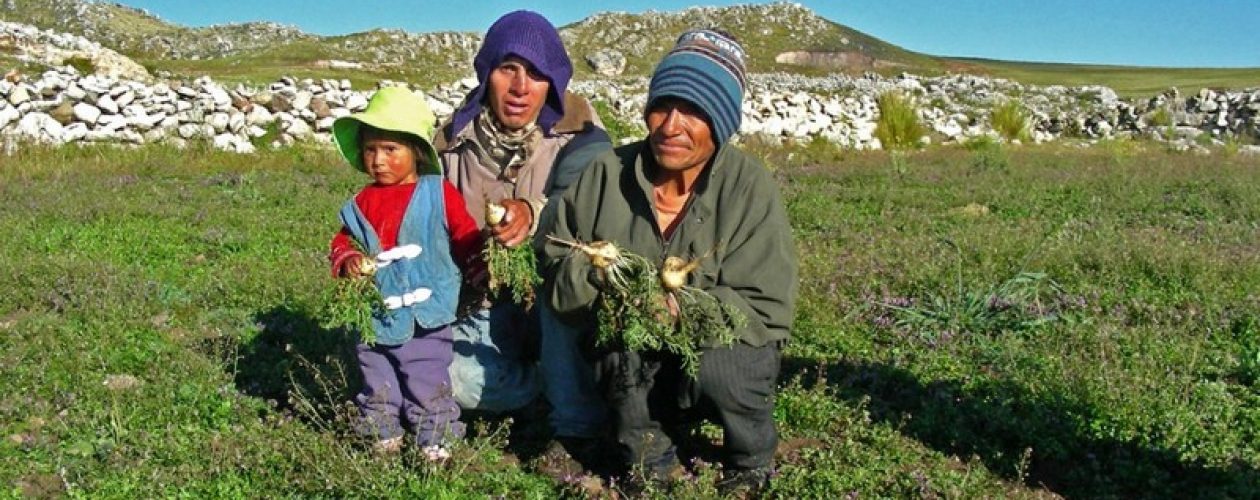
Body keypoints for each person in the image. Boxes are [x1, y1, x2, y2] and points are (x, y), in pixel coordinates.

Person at [538, 29, 798, 494]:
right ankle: (649, 459)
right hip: (633, 354)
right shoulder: (603, 175)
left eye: (694, 111)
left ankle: (750, 457)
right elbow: (555, 267)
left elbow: (766, 307)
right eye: (662, 106)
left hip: (715, 351)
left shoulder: (748, 187)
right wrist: (603, 278)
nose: (671, 126)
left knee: (730, 367)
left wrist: (683, 311)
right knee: (617, 347)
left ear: (719, 122)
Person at [435, 9, 612, 469]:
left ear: (552, 81)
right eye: (507, 68)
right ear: (486, 72)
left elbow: (593, 215)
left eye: (535, 73)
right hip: (481, 308)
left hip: (558, 308)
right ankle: (537, 388)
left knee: (567, 288)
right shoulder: (450, 145)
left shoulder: (583, 141)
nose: (519, 87)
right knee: (434, 374)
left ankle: (570, 414)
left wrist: (532, 214)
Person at [327, 86, 483, 458]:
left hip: (425, 314)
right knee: (375, 373)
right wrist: (347, 259)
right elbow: (343, 241)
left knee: (427, 377)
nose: (378, 160)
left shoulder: (437, 192)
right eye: (370, 149)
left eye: (390, 150)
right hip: (375, 313)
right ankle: (382, 434)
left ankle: (436, 440)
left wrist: (480, 259)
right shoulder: (360, 203)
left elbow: (464, 235)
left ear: (415, 151)